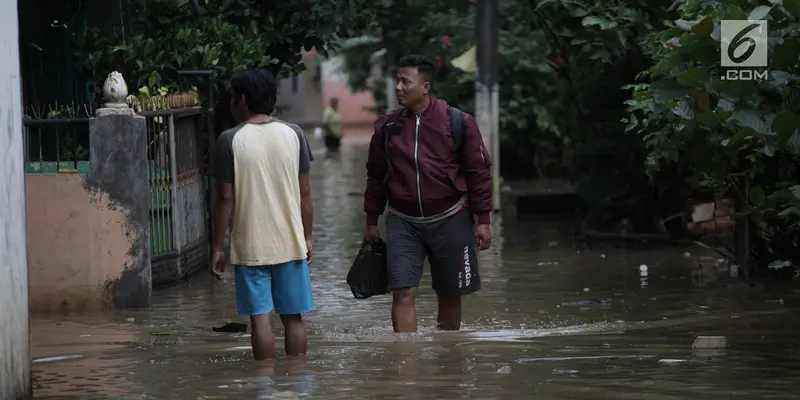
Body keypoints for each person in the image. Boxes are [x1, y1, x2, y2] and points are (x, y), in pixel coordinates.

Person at [363, 55, 493, 333]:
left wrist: (483, 220)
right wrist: (371, 221)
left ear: (425, 86)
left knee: (449, 293)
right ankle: (406, 364)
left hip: (451, 218)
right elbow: (375, 176)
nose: (398, 87)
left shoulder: (459, 122)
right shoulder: (387, 127)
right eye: (397, 80)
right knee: (402, 291)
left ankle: (449, 360)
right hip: (403, 221)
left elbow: (479, 172)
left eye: (405, 81)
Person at [210, 68, 315, 360]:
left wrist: (217, 245)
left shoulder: (229, 140)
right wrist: (307, 237)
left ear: (242, 99)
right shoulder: (294, 134)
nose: (231, 104)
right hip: (290, 243)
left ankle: (265, 386)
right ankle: (298, 383)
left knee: (260, 319)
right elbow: (305, 193)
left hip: (250, 247)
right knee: (293, 318)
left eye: (232, 98)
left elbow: (225, 199)